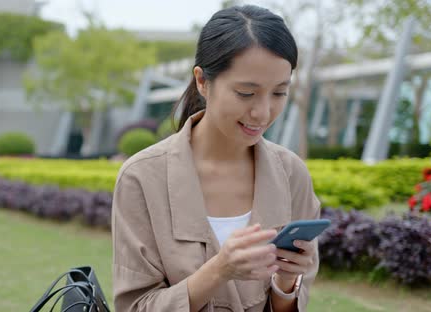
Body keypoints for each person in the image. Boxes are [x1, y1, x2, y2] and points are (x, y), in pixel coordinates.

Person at [112, 5, 320, 312]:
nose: (262, 113)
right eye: (246, 93)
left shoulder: (292, 175)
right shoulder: (142, 178)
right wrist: (220, 270)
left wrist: (286, 283)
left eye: (279, 93)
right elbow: (136, 307)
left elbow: (289, 303)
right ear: (202, 81)